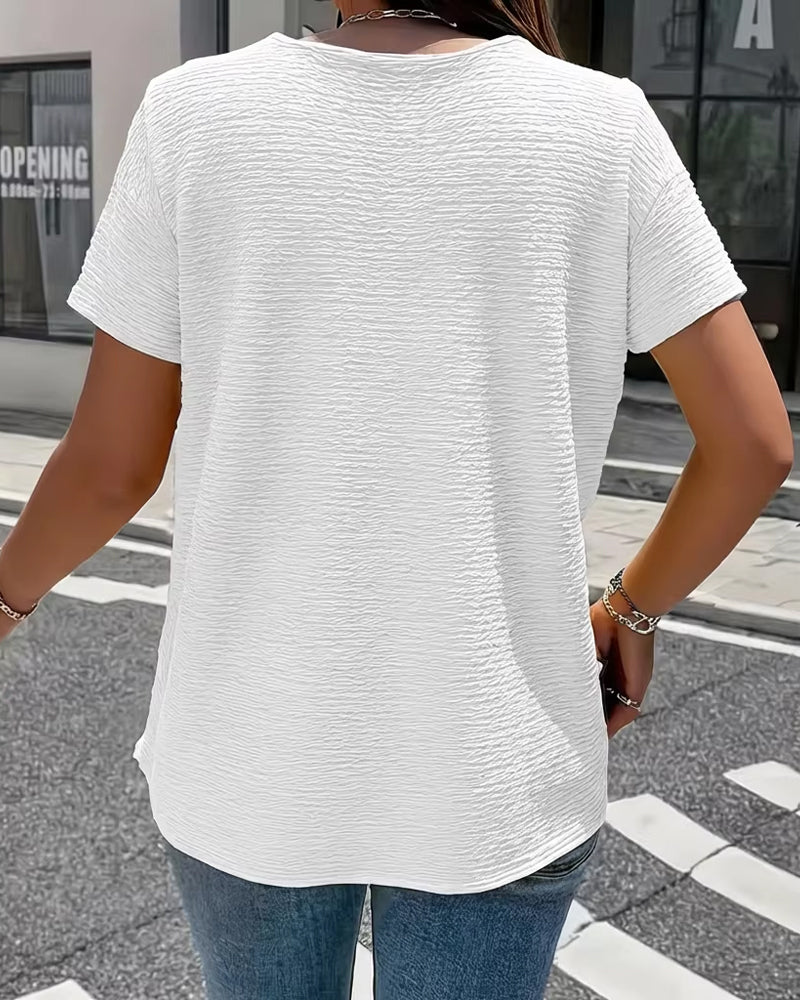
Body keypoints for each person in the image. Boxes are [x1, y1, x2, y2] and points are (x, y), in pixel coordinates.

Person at [0, 2, 793, 998]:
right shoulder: (603, 125)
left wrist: (6, 596)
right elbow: (753, 445)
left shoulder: (193, 116)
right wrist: (629, 608)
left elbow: (111, 467)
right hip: (496, 760)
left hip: (248, 752)